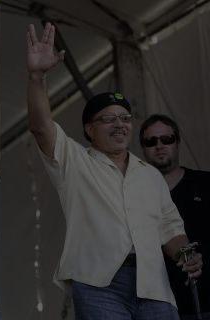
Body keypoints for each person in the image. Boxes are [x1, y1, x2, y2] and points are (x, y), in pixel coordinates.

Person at [26, 22, 202, 319]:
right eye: (108, 119)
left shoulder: (149, 175)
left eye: (125, 118)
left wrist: (185, 253)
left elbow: (171, 228)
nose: (119, 124)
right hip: (99, 284)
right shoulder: (75, 160)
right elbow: (41, 127)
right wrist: (37, 76)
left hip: (154, 285)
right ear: (89, 129)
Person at [140, 114, 210, 319]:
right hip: (159, 305)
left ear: (177, 142)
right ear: (143, 149)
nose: (159, 145)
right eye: (151, 141)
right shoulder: (135, 196)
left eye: (166, 139)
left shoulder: (205, 183)